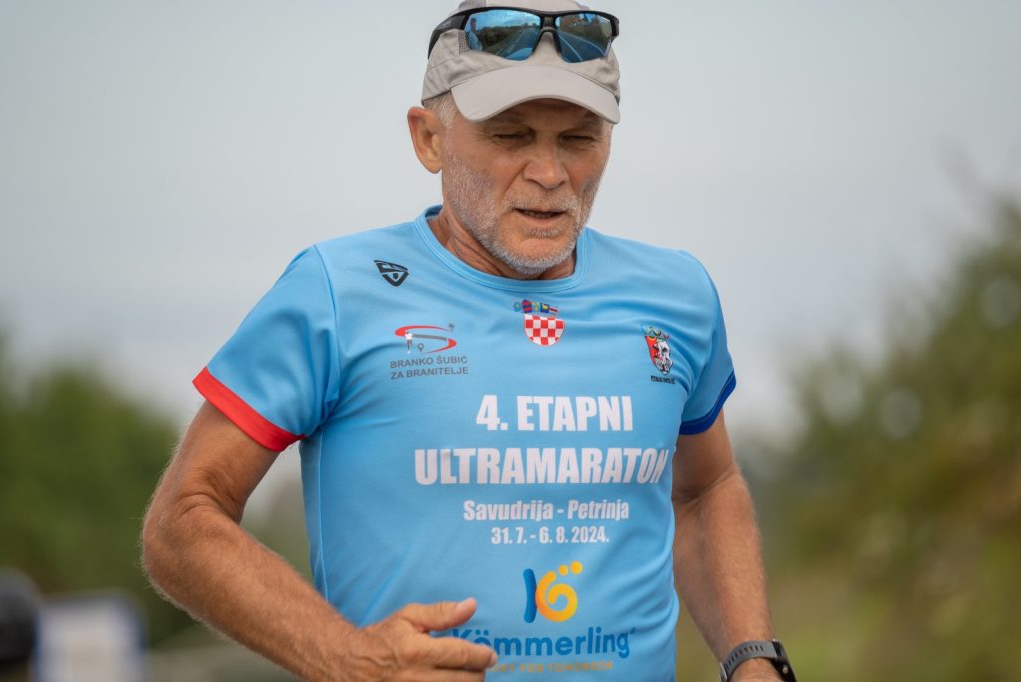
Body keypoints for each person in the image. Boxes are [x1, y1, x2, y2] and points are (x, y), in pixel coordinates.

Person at [142, 1, 796, 680]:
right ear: (429, 138)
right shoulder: (335, 291)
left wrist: (753, 659)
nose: (549, 173)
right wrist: (348, 658)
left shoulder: (677, 294)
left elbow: (706, 489)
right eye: (511, 135)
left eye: (578, 139)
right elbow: (181, 522)